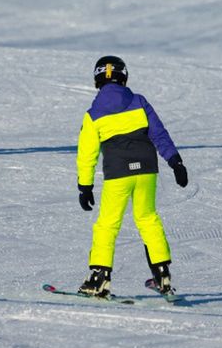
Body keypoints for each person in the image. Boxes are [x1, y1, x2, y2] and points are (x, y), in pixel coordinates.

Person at [75, 55, 188, 298]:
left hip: (118, 174)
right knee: (148, 218)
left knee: (107, 224)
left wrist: (85, 186)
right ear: (123, 76)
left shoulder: (93, 114)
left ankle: (99, 278)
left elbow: (87, 154)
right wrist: (175, 161)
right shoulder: (139, 101)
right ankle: (162, 274)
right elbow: (159, 134)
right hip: (147, 170)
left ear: (97, 79)